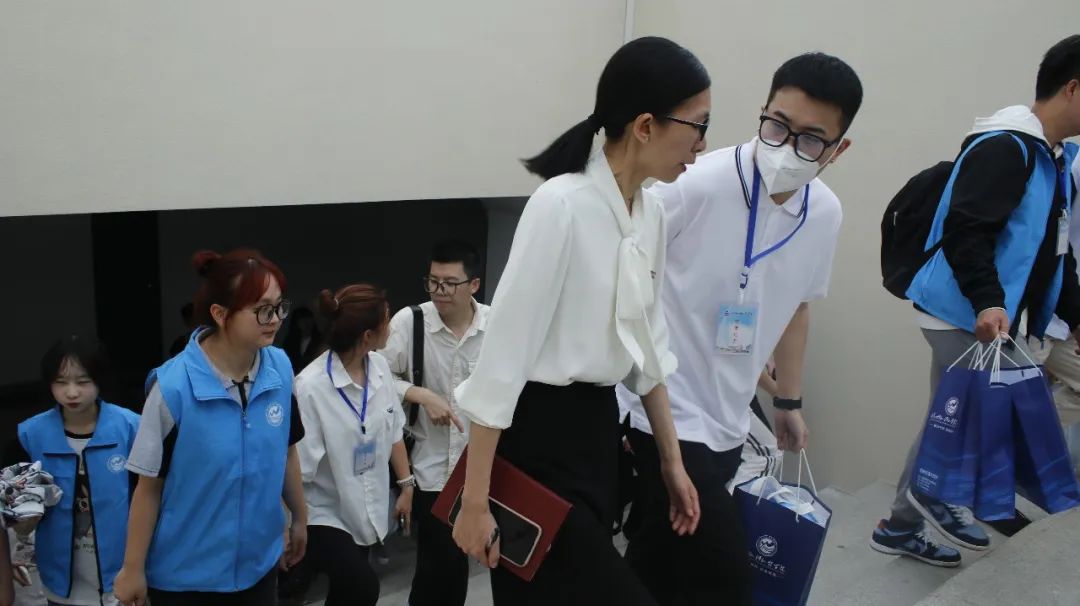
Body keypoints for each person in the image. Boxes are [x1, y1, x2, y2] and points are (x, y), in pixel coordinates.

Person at [451, 36, 707, 605]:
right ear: (646, 126)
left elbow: (647, 349)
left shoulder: (652, 213)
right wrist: (474, 500)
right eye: (698, 125)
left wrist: (672, 463)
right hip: (535, 439)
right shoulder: (560, 205)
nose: (702, 143)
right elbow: (502, 362)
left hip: (597, 436)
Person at [617, 52, 862, 604]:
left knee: (659, 557)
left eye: (810, 139)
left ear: (838, 149)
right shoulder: (695, 184)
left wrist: (788, 401)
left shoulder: (824, 214)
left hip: (730, 417)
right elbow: (626, 277)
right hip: (662, 407)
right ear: (763, 111)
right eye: (777, 125)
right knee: (724, 574)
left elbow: (797, 307)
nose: (786, 146)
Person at [872, 34, 1080, 567]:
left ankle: (900, 525)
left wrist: (1074, 317)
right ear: (1073, 88)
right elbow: (966, 229)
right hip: (961, 311)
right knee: (993, 405)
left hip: (988, 315)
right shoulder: (1006, 148)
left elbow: (1055, 254)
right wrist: (988, 301)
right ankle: (942, 493)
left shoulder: (1054, 159)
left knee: (946, 414)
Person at [113, 249, 308, 606]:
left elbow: (287, 452)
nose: (276, 319)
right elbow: (148, 488)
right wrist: (132, 568)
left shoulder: (280, 368)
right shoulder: (172, 387)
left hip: (258, 568)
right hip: (186, 579)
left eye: (280, 306)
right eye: (262, 310)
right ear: (220, 314)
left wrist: (299, 517)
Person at [380, 240, 488, 606]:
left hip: (479, 469)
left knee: (457, 564)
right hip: (429, 468)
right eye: (433, 281)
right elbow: (378, 378)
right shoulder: (410, 322)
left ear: (474, 285)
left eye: (450, 283)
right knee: (438, 562)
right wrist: (419, 394)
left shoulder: (494, 326)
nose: (439, 291)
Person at [292, 284, 413, 606]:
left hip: (365, 507)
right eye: (387, 320)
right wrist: (291, 526)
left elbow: (394, 429)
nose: (391, 326)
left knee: (347, 594)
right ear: (368, 336)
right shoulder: (311, 388)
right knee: (363, 586)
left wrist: (406, 486)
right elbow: (297, 469)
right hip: (322, 512)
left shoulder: (380, 368)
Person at [4, 336, 140, 606]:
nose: (72, 392)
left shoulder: (131, 428)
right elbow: (9, 506)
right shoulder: (30, 435)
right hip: (59, 578)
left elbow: (150, 499)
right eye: (61, 382)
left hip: (122, 573)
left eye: (83, 381)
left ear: (100, 380)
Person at [282, 307, 322, 375]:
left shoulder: (320, 341)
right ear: (296, 323)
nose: (306, 324)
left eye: (309, 320)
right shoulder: (290, 342)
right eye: (302, 321)